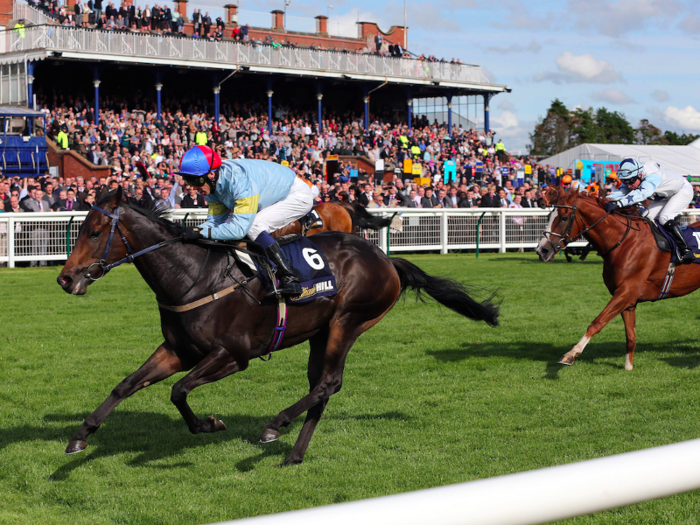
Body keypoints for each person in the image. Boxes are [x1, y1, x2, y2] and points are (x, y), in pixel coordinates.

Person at [177, 145, 313, 296]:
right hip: (274, 193)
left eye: (196, 181)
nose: (194, 187)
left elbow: (238, 229)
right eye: (189, 181)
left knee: (253, 226)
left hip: (296, 195)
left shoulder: (239, 181)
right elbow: (214, 223)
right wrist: (193, 231)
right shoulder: (214, 187)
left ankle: (290, 278)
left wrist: (201, 232)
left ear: (211, 175)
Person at [605, 158, 695, 264]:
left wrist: (619, 204)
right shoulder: (634, 176)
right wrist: (604, 200)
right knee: (646, 218)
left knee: (665, 217)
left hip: (682, 191)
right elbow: (620, 192)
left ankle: (686, 250)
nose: (629, 185)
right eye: (625, 181)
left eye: (630, 181)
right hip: (664, 196)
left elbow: (643, 193)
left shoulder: (652, 175)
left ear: (639, 174)